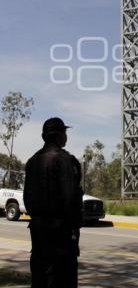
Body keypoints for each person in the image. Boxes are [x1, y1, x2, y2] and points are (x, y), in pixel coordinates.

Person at [24, 117, 83, 288]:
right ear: (58, 135)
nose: (66, 136)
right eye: (65, 132)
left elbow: (27, 199)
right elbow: (71, 197)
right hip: (61, 234)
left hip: (38, 230)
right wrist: (74, 226)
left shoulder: (32, 161)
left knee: (40, 277)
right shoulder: (65, 160)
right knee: (62, 279)